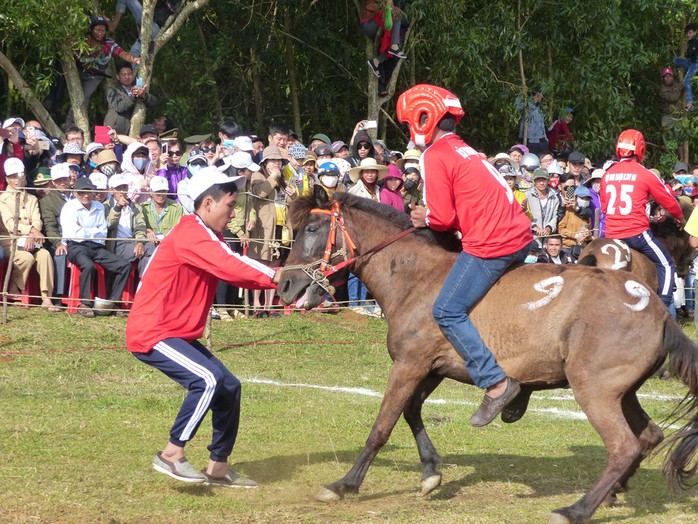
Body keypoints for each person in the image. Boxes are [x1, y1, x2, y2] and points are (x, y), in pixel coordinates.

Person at [125, 168, 278, 487]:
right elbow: (231, 265)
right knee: (207, 380)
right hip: (153, 331)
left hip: (174, 332)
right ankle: (171, 454)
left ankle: (218, 468)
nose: (233, 212)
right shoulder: (192, 232)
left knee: (229, 386)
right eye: (230, 205)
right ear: (208, 202)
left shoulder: (206, 234)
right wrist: (280, 276)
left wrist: (281, 278)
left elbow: (232, 264)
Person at [397, 84, 533, 427]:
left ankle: (496, 383)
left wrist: (421, 216)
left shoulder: (434, 155)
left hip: (492, 243)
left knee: (446, 309)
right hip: (520, 235)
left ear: (423, 118)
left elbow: (441, 218)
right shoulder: (465, 150)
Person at [601, 129, 685, 310]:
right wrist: (679, 216)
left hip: (610, 235)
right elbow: (668, 201)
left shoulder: (607, 175)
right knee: (667, 264)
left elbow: (605, 207)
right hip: (636, 234)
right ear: (640, 149)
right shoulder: (645, 173)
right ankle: (662, 307)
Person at [59, 177, 132, 317]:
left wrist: (86, 230)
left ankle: (114, 301)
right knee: (88, 266)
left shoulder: (98, 206)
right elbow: (74, 234)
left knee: (124, 266)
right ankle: (84, 303)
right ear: (75, 193)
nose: (86, 195)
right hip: (76, 246)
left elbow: (103, 232)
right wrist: (94, 230)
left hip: (96, 246)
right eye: (82, 192)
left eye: (89, 192)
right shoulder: (69, 207)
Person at [0, 158, 60, 311]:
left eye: (19, 175)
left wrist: (32, 234)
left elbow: (37, 220)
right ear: (7, 178)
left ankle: (46, 297)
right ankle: (14, 289)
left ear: (25, 176)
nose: (16, 179)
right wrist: (30, 231)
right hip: (10, 240)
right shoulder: (2, 199)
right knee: (25, 257)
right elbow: (10, 224)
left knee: (45, 255)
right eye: (12, 176)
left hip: (33, 239)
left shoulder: (32, 199)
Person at [67, 16, 140, 128]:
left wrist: (133, 59)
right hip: (79, 71)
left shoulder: (109, 43)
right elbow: (71, 46)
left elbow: (121, 53)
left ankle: (71, 125)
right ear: (91, 29)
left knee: (83, 98)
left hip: (94, 76)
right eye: (97, 30)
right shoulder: (84, 41)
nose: (100, 33)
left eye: (102, 30)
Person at [104, 64, 158, 135]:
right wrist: (133, 96)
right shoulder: (113, 90)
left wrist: (144, 96)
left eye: (129, 74)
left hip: (132, 131)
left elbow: (155, 102)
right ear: (118, 77)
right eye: (124, 74)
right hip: (113, 130)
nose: (127, 77)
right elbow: (119, 107)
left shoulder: (138, 88)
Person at [525, 168, 560, 249]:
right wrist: (534, 227)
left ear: (548, 181)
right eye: (538, 180)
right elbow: (524, 215)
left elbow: (555, 216)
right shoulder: (526, 196)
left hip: (548, 240)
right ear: (533, 181)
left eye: (544, 180)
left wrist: (549, 228)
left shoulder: (554, 197)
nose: (541, 183)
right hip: (531, 238)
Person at [672, 23, 698, 112]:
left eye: (690, 33)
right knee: (675, 60)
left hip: (695, 64)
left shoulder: (696, 41)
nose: (688, 35)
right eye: (687, 33)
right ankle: (682, 67)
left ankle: (690, 103)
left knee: (686, 80)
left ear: (695, 32)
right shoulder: (690, 42)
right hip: (689, 61)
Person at [516, 88, 548, 155]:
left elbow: (541, 126)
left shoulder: (539, 108)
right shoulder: (527, 107)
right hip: (530, 141)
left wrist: (545, 139)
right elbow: (517, 106)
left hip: (541, 140)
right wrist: (521, 94)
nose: (542, 97)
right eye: (540, 95)